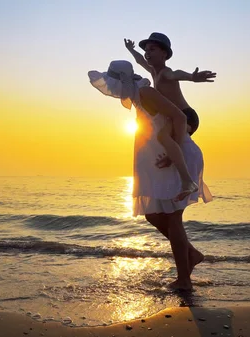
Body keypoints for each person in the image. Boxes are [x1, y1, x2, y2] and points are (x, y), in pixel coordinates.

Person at [88, 60, 213, 290]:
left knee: (174, 218)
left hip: (178, 156)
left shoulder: (145, 92)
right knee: (153, 215)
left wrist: (172, 152)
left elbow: (180, 118)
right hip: (164, 160)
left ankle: (184, 280)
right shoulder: (138, 95)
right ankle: (191, 254)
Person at [125, 33, 215, 170]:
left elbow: (176, 74)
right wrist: (131, 49)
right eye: (146, 50)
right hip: (174, 118)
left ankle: (183, 176)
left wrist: (192, 77)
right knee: (163, 138)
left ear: (164, 53)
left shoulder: (166, 72)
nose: (147, 53)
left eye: (152, 49)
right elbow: (140, 61)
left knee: (163, 136)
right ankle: (172, 159)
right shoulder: (154, 72)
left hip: (187, 116)